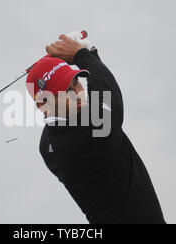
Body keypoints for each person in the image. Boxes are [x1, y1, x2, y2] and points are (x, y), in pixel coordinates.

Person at [26, 33, 165, 224]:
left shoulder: (48, 144)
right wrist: (83, 54)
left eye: (76, 82)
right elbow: (107, 93)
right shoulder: (89, 132)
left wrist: (86, 55)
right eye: (68, 90)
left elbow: (98, 94)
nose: (78, 92)